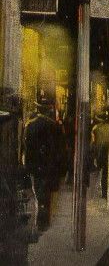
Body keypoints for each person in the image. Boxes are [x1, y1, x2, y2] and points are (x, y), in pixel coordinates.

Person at [23, 98, 66, 231]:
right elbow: (61, 150)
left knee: (39, 194)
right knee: (46, 195)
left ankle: (41, 223)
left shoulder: (30, 125)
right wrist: (61, 170)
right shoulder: (55, 126)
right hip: (50, 166)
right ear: (48, 110)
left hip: (36, 167)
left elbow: (27, 149)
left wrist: (27, 167)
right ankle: (43, 222)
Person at [91, 110, 109, 198]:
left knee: (99, 171)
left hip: (99, 152)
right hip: (108, 151)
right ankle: (104, 192)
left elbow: (93, 143)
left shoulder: (95, 128)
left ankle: (100, 191)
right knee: (106, 171)